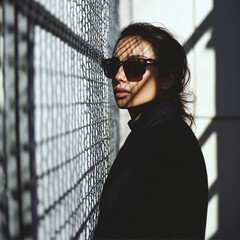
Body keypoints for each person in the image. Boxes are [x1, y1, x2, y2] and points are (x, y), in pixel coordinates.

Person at [93, 22, 208, 239]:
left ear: (167, 79)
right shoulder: (152, 132)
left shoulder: (166, 142)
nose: (118, 76)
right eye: (113, 65)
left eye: (134, 66)